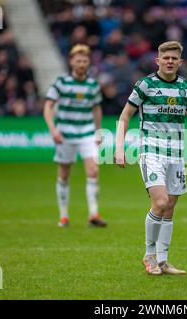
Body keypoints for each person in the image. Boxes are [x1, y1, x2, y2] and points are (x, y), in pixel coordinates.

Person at [114, 41, 187, 275]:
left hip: (177, 155)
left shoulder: (186, 88)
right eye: (166, 58)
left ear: (180, 62)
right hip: (151, 151)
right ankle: (149, 255)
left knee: (169, 209)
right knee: (160, 203)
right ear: (158, 60)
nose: (170, 61)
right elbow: (124, 116)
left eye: (174, 58)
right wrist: (119, 148)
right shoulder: (145, 85)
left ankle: (163, 261)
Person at [43, 44, 107, 228]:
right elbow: (48, 106)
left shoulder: (93, 85)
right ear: (71, 61)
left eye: (84, 60)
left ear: (88, 63)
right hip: (65, 133)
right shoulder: (61, 83)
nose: (81, 64)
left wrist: (98, 130)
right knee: (64, 173)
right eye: (78, 60)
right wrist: (53, 129)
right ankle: (64, 216)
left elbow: (96, 108)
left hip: (86, 131)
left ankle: (93, 215)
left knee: (93, 171)